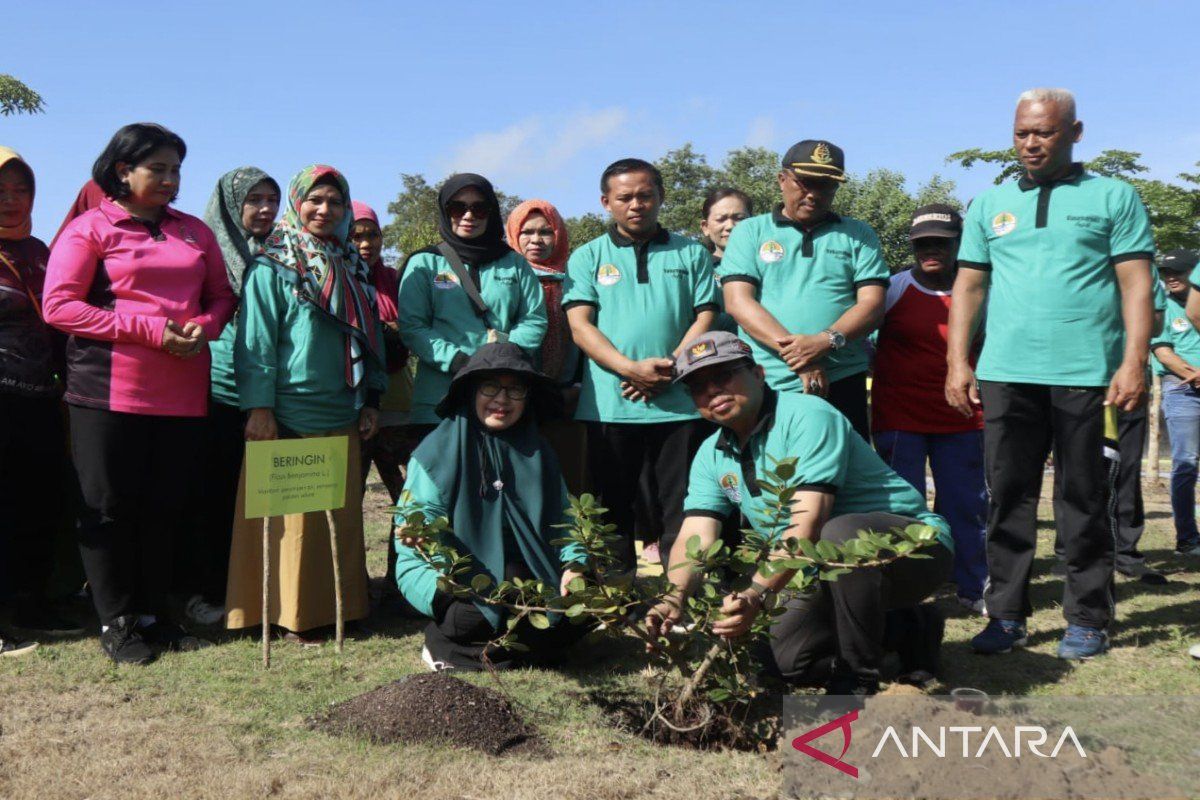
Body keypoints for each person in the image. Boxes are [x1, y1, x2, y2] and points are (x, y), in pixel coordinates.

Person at [946, 88, 1155, 660]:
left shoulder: (1114, 196)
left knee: (1083, 499)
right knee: (1007, 498)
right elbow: (969, 286)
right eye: (1021, 133)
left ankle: (1087, 617)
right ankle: (1006, 615)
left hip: (1088, 373)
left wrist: (1134, 361)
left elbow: (1136, 284)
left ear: (1075, 132)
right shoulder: (990, 203)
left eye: (1044, 132)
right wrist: (958, 361)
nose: (1030, 143)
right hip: (1007, 372)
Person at [646, 331, 953, 695]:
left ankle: (857, 677)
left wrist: (756, 594)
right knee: (785, 662)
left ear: (759, 373)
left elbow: (807, 526)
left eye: (723, 375)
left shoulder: (809, 415)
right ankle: (906, 626)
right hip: (818, 566)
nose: (712, 390)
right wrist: (673, 598)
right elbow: (696, 535)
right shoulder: (711, 453)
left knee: (839, 533)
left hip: (913, 549)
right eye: (697, 387)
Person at [44, 123, 236, 665]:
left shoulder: (195, 232)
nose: (172, 179)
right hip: (107, 393)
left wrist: (205, 324)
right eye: (160, 168)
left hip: (181, 394)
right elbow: (58, 306)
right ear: (122, 170)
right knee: (107, 509)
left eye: (177, 169)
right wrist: (150, 330)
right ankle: (117, 621)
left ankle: (156, 614)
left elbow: (221, 297)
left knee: (164, 508)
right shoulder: (90, 229)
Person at [224, 165, 386, 642]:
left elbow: (370, 337)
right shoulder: (273, 264)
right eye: (315, 200)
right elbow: (257, 341)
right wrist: (259, 408)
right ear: (298, 203)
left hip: (342, 408)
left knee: (334, 517)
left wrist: (371, 398)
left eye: (335, 202)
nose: (324, 210)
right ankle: (284, 614)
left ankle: (338, 608)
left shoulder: (353, 266)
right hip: (288, 411)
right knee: (288, 520)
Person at [393, 343, 589, 671]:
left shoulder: (540, 452)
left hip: (532, 574)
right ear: (470, 392)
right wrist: (437, 578)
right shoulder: (435, 452)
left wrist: (575, 567)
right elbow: (419, 520)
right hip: (460, 583)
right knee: (473, 617)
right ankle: (447, 646)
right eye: (490, 387)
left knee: (583, 603)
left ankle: (505, 648)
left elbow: (566, 519)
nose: (501, 399)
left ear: (528, 399)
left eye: (515, 390)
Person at [564, 158, 718, 572]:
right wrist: (629, 369)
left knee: (684, 504)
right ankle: (617, 598)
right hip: (611, 406)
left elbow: (704, 316)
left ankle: (681, 594)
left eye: (645, 195)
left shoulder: (692, 253)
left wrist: (669, 367)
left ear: (660, 197)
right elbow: (580, 327)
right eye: (625, 197)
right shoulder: (586, 257)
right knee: (611, 508)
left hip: (680, 402)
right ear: (606, 202)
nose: (636, 204)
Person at [718, 140, 889, 441]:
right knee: (771, 474)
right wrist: (803, 358)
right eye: (806, 183)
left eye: (826, 185)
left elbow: (872, 305)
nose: (814, 194)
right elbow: (738, 302)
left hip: (841, 377)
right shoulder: (750, 232)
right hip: (767, 378)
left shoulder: (859, 234)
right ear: (781, 179)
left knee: (843, 475)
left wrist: (827, 340)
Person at [872, 205, 988, 613]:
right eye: (923, 244)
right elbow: (864, 336)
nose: (931, 250)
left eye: (941, 242)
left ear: (960, 244)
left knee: (966, 503)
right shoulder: (893, 287)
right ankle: (906, 587)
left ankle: (972, 586)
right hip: (899, 417)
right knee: (904, 505)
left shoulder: (978, 291)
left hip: (962, 419)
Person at [184, 167, 281, 626]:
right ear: (230, 205)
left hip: (269, 391)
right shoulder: (204, 254)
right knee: (214, 496)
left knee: (261, 498)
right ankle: (204, 590)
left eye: (271, 199)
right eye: (253, 200)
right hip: (217, 388)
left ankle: (257, 588)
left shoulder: (285, 255)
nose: (264, 209)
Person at [0, 147, 83, 655]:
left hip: (41, 402)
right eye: (0, 190)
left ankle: (29, 605)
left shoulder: (41, 251)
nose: (10, 200)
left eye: (21, 189)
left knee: (35, 506)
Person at [398, 174, 547, 434]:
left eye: (479, 208)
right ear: (445, 211)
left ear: (491, 212)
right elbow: (413, 327)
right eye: (458, 208)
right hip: (440, 400)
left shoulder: (514, 263)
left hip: (502, 400)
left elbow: (534, 318)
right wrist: (457, 361)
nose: (468, 216)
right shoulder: (424, 263)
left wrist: (501, 357)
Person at [505, 199, 587, 494]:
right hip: (516, 394)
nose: (535, 240)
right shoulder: (504, 277)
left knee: (568, 480)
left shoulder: (578, 278)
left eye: (545, 231)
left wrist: (578, 385)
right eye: (526, 232)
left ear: (559, 235)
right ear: (513, 234)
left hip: (568, 399)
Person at [352, 200, 418, 503]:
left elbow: (415, 326)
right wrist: (387, 328)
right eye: (356, 235)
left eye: (373, 235)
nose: (366, 244)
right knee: (352, 487)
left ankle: (405, 549)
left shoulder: (395, 279)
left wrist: (389, 329)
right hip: (352, 398)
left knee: (407, 489)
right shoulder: (337, 279)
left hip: (397, 396)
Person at [1152, 250, 1200, 557]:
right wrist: (1194, 376)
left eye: (1178, 270)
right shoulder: (1162, 306)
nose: (1170, 276)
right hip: (1181, 390)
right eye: (1165, 271)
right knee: (1185, 463)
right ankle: (1188, 538)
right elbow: (1162, 351)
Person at [699, 188, 753, 335]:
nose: (730, 226)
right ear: (705, 227)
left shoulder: (767, 265)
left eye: (739, 218)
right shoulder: (699, 270)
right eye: (721, 219)